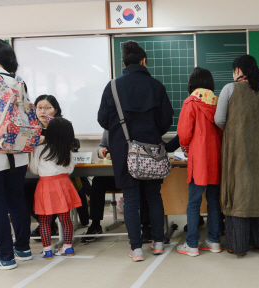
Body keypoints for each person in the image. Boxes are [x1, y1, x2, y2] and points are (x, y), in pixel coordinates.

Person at [98, 40, 174, 261]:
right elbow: (166, 120)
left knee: (131, 199)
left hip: (124, 151)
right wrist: (151, 132)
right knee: (153, 196)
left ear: (123, 62)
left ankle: (137, 249)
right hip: (152, 150)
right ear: (144, 61)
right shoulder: (156, 86)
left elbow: (103, 119)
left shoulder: (112, 86)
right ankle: (158, 242)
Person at [215, 54, 259, 257]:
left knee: (238, 194)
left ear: (237, 71)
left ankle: (238, 246)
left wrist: (235, 129)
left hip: (237, 151)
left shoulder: (229, 89)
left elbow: (219, 119)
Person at [0, 38, 33, 270]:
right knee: (16, 200)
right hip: (17, 151)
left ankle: (5, 257)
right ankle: (23, 248)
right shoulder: (18, 81)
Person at [27, 95, 90, 239]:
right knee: (26, 188)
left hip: (59, 177)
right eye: (39, 107)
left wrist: (48, 140)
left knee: (52, 189)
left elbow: (68, 151)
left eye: (47, 108)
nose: (42, 111)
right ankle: (45, 222)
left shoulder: (62, 126)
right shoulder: (30, 128)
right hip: (36, 174)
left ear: (55, 110)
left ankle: (48, 223)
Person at [175, 67, 223, 257]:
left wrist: (187, 149)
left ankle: (192, 244)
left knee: (194, 202)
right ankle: (214, 240)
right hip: (216, 158)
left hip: (199, 159)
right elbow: (222, 131)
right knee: (213, 202)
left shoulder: (191, 102)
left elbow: (184, 133)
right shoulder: (219, 103)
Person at [83, 130, 155, 244]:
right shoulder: (109, 128)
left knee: (142, 184)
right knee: (97, 182)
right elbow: (102, 145)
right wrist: (101, 151)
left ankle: (146, 225)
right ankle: (95, 225)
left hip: (134, 170)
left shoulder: (136, 124)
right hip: (116, 173)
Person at [30, 117, 82, 259]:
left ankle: (47, 250)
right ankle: (68, 247)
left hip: (45, 186)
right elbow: (70, 170)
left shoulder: (39, 149)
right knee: (65, 219)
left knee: (44, 220)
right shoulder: (67, 151)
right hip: (63, 185)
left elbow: (34, 170)